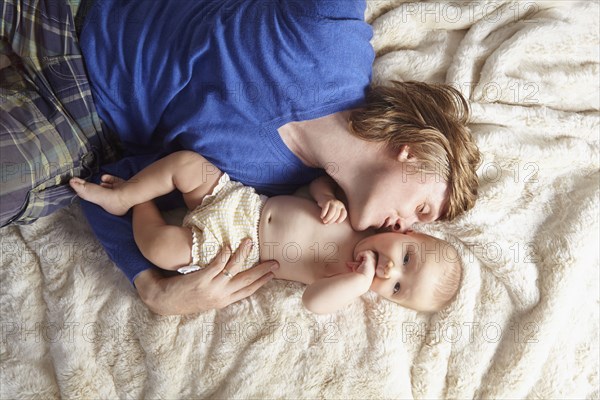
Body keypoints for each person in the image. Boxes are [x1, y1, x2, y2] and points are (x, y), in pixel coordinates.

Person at [77, 0, 480, 314]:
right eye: (421, 209)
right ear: (415, 154)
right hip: (87, 15)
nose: (405, 226)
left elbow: (116, 180)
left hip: (76, 111)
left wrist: (153, 288)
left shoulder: (271, 190)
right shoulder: (333, 38)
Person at [70, 151, 462, 314]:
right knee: (187, 164)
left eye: (395, 289)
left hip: (235, 245)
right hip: (242, 203)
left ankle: (143, 205)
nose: (389, 271)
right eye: (406, 258)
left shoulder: (344, 278)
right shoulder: (364, 220)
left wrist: (355, 282)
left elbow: (314, 302)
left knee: (161, 249)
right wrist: (327, 197)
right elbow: (310, 187)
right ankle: (125, 194)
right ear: (404, 233)